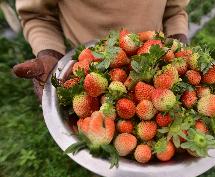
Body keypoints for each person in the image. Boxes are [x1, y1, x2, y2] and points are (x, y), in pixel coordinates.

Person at [12, 0, 189, 101]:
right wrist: (50, 54)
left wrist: (178, 46)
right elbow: (38, 15)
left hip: (157, 60)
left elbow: (175, 9)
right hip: (88, 68)